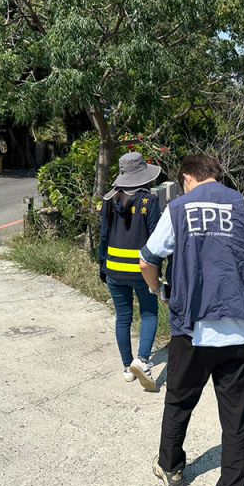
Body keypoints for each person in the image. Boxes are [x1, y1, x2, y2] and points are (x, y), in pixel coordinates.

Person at [140, 155, 244, 486]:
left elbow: (147, 259)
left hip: (193, 326)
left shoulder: (178, 207)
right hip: (238, 326)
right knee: (235, 413)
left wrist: (159, 290)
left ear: (187, 178)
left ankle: (171, 468)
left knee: (179, 400)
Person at [99, 151, 162, 392]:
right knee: (149, 312)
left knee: (123, 317)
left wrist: (102, 265)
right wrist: (159, 270)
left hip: (114, 267)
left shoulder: (109, 199)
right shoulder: (150, 200)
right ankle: (142, 360)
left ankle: (127, 368)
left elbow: (104, 235)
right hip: (141, 268)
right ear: (143, 176)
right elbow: (156, 239)